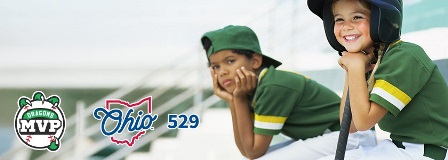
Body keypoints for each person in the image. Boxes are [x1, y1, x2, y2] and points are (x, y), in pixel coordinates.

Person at [200, 25, 376, 160]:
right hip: (329, 136)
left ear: (255, 61)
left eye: (230, 61)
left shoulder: (272, 86)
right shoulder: (251, 89)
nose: (222, 72)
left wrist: (236, 99)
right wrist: (233, 100)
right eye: (215, 66)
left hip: (350, 136)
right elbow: (247, 152)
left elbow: (254, 151)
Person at [308, 0, 448, 159]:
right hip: (400, 147)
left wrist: (354, 68)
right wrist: (353, 70)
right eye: (339, 19)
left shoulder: (405, 56)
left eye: (357, 17)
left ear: (383, 19)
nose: (346, 26)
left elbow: (363, 123)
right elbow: (350, 125)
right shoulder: (372, 60)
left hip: (429, 152)